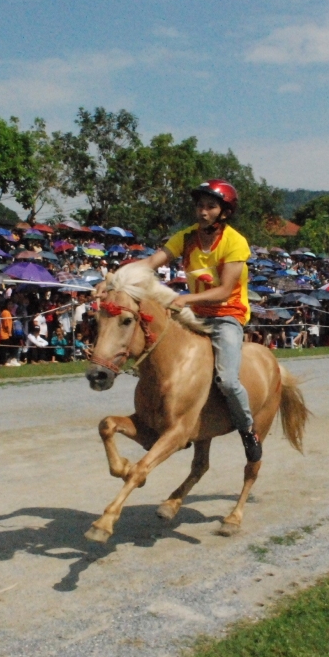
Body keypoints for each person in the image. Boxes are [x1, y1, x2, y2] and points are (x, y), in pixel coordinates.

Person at [135, 179, 263, 463]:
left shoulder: (235, 242)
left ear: (224, 212)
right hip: (195, 315)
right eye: (200, 206)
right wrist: (114, 279)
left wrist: (185, 300)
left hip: (227, 316)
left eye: (210, 207)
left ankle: (247, 429)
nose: (202, 211)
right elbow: (150, 263)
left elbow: (225, 291)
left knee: (228, 381)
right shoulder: (186, 237)